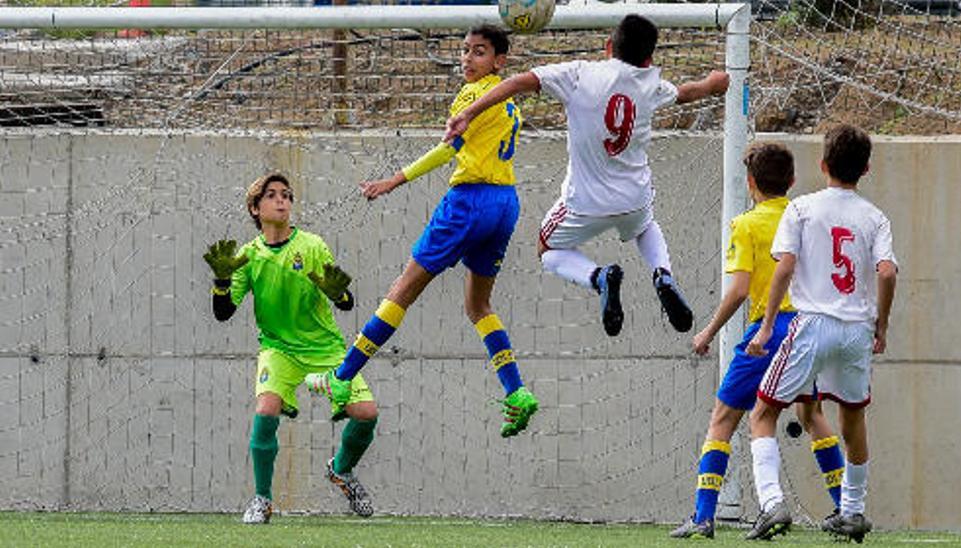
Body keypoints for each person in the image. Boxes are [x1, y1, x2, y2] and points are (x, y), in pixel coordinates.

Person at [307, 24, 538, 438]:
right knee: (478, 306)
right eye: (464, 50)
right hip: (505, 205)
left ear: (500, 61)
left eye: (479, 51)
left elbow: (448, 149)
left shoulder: (473, 95)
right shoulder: (508, 103)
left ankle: (342, 377)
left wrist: (392, 181)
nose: (467, 58)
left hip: (468, 202)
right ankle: (516, 392)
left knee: (403, 289)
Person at [445, 14, 729, 337]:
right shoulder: (650, 83)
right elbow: (686, 93)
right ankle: (662, 273)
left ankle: (598, 277)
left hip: (584, 203)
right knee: (646, 225)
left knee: (547, 250)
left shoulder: (579, 74)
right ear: (649, 59)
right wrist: (712, 85)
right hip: (634, 199)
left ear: (608, 47)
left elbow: (516, 83)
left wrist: (468, 112)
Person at [669, 142, 845, 539]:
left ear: (750, 182)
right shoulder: (806, 217)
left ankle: (704, 515)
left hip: (767, 332)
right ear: (792, 181)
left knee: (723, 419)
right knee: (811, 414)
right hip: (808, 329)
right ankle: (843, 506)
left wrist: (708, 332)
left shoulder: (746, 225)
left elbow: (739, 290)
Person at [743, 125, 898, 542]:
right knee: (852, 418)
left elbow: (786, 266)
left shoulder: (802, 209)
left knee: (762, 413)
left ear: (823, 165)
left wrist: (770, 325)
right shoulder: (875, 217)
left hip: (811, 324)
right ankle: (853, 511)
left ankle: (772, 503)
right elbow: (886, 271)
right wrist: (881, 324)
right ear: (865, 168)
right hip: (856, 331)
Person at [203, 173, 378, 524]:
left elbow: (345, 301)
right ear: (255, 208)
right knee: (266, 409)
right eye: (272, 196)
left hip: (324, 348)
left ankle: (341, 470)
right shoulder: (247, 256)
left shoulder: (312, 246)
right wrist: (222, 281)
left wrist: (337, 292)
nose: (282, 201)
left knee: (367, 414)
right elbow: (223, 313)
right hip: (278, 348)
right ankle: (262, 500)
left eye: (286, 195)